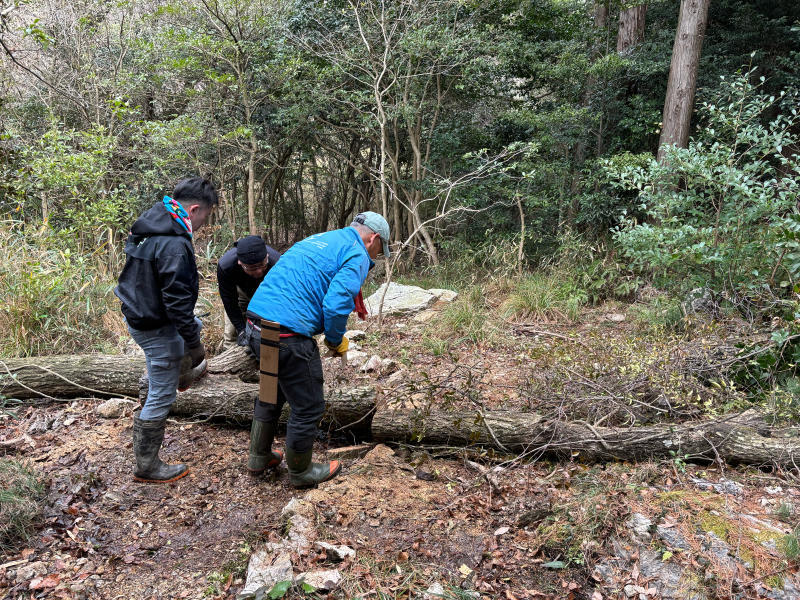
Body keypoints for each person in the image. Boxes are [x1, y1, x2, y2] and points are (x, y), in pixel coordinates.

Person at [244, 211, 390, 488]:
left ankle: (258, 456)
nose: (377, 255)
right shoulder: (357, 253)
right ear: (374, 238)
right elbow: (336, 305)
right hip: (287, 336)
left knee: (269, 395)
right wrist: (335, 340)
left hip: (256, 326)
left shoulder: (321, 239)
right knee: (309, 407)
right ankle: (301, 472)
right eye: (381, 249)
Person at [114, 177, 218, 483]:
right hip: (154, 323)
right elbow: (177, 305)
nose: (202, 224)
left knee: (193, 325)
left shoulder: (152, 222)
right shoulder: (173, 243)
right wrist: (195, 346)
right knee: (162, 392)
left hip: (138, 313)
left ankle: (183, 374)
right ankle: (146, 466)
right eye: (205, 217)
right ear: (195, 209)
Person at [217, 236, 281, 350]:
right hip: (242, 292)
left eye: (262, 265)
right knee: (232, 332)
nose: (259, 271)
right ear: (240, 262)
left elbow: (282, 299)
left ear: (267, 256)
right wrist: (241, 329)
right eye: (252, 268)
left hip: (268, 296)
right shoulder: (226, 266)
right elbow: (229, 302)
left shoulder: (278, 262)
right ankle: (229, 353)